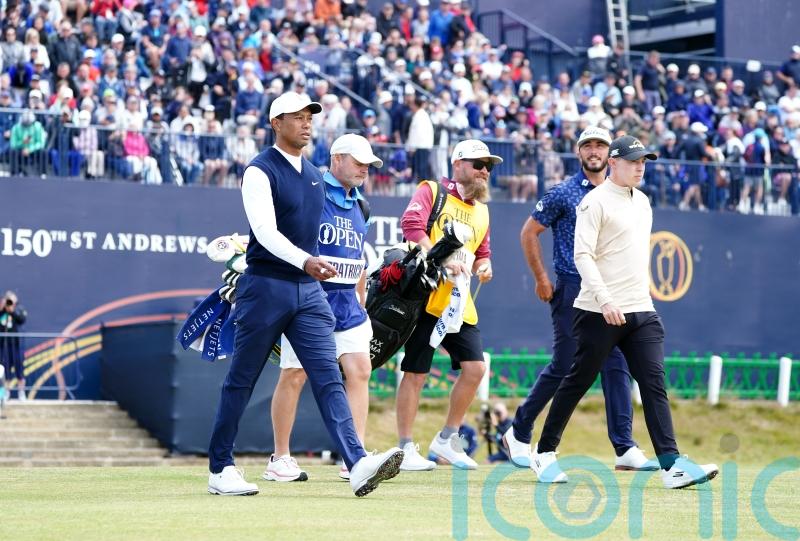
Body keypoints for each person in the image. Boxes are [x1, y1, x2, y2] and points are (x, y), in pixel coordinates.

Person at [206, 92, 403, 498]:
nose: (306, 123)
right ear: (276, 123)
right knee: (241, 380)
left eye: (309, 116)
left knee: (330, 377)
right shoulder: (259, 170)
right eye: (296, 117)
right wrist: (304, 261)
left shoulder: (315, 176)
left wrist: (320, 267)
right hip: (265, 288)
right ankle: (220, 467)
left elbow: (310, 236)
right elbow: (265, 233)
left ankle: (357, 461)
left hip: (308, 292)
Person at [530, 135, 719, 489]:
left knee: (653, 383)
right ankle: (544, 452)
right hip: (598, 310)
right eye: (633, 161)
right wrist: (604, 299)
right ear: (613, 163)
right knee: (578, 381)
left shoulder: (643, 202)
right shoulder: (593, 202)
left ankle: (671, 464)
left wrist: (635, 299)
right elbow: (582, 255)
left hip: (640, 311)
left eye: (643, 161)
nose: (640, 167)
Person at [502, 126, 655, 472]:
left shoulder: (626, 194)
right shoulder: (564, 193)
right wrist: (542, 278)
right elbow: (529, 232)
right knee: (569, 362)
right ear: (579, 152)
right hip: (573, 287)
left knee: (617, 365)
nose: (594, 151)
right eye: (588, 145)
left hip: (613, 290)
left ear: (611, 154)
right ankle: (520, 430)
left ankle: (624, 447)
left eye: (600, 145)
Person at [264, 133, 384, 483]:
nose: (365, 169)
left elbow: (357, 258)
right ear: (336, 160)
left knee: (360, 369)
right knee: (295, 374)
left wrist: (361, 294)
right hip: (306, 298)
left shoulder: (362, 204)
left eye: (368, 164)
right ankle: (280, 457)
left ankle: (355, 457)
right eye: (358, 162)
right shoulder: (309, 188)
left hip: (347, 304)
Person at [395, 139, 497, 472]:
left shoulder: (482, 210)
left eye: (488, 166)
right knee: (416, 373)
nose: (484, 171)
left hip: (459, 303)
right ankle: (405, 448)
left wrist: (485, 266)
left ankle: (447, 439)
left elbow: (483, 253)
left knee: (476, 368)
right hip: (425, 298)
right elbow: (411, 227)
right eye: (478, 164)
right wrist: (439, 256)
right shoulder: (432, 191)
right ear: (458, 165)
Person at [0, 291, 28, 401]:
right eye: (7, 300)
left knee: (19, 369)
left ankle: (22, 393)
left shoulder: (19, 309)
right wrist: (2, 308)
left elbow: (22, 320)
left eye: (11, 300)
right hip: (4, 346)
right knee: (5, 370)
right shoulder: (2, 312)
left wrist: (12, 311)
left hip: (16, 345)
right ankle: (6, 392)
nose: (9, 302)